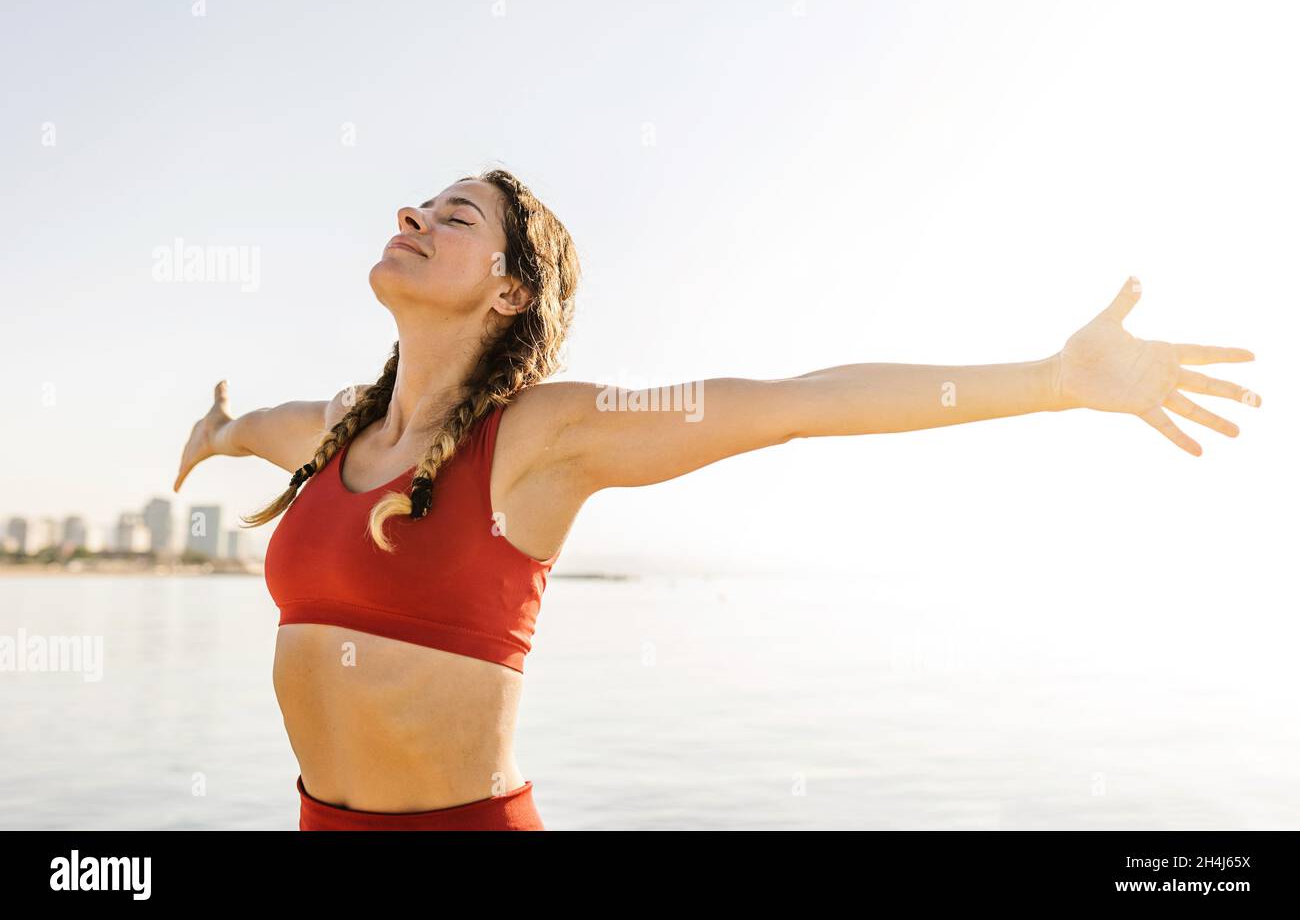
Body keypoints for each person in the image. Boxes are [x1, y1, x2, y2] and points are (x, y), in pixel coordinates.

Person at [172, 168, 1260, 829]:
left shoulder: (542, 438)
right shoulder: (338, 425)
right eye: (424, 201)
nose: (414, 211)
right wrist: (216, 433)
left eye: (455, 214)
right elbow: (251, 429)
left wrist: (1051, 380)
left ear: (508, 290)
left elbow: (791, 402)